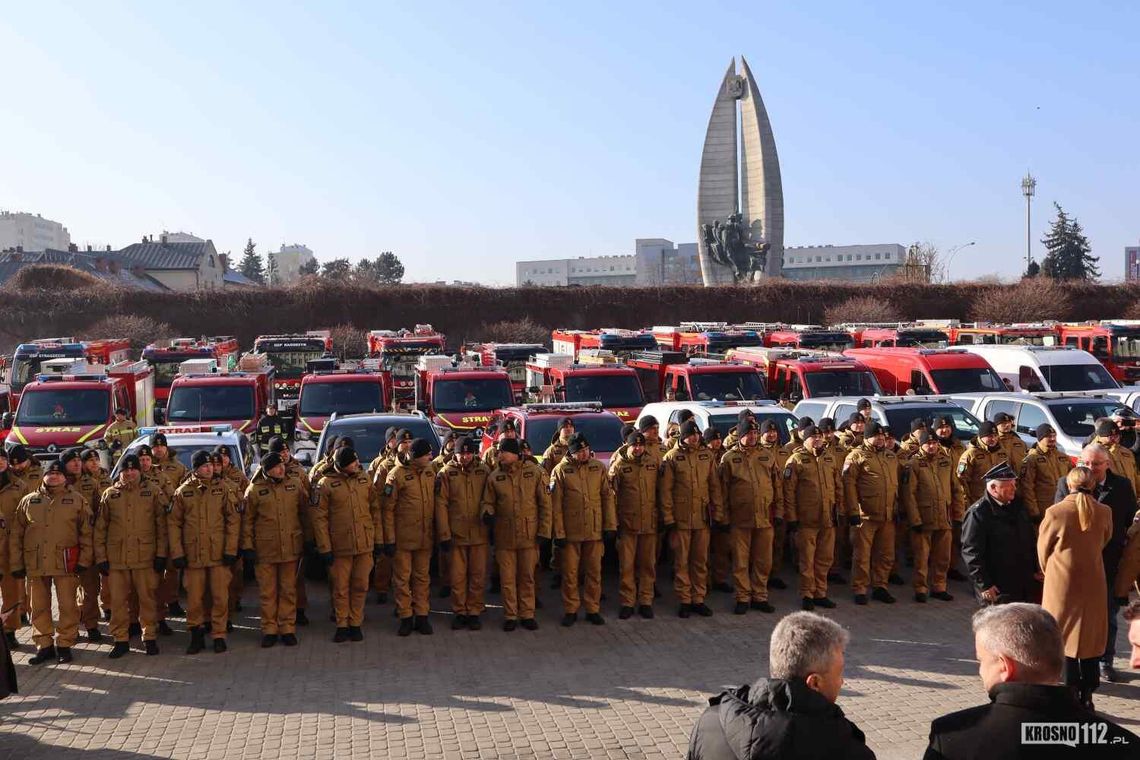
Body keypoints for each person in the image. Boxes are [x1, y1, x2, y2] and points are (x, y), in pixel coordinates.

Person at [923, 603, 1137, 759]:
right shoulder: (1122, 743)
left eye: (981, 660)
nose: (980, 671)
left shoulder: (952, 737)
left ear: (1004, 666)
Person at [686, 611, 874, 760]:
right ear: (814, 682)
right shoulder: (846, 750)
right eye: (840, 673)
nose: (842, 681)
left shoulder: (711, 722)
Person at [1052, 443, 1137, 684]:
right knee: (1069, 618)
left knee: (1107, 617)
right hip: (1073, 568)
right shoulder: (1065, 483)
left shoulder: (1121, 486)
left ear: (1107, 465)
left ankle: (1104, 662)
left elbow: (1129, 518)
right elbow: (1056, 523)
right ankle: (1068, 666)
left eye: (1096, 464)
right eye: (1085, 463)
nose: (1090, 468)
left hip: (1107, 565)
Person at [1038, 466, 1114, 708]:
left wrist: (1049, 570)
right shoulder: (1104, 511)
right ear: (1093, 485)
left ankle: (1069, 691)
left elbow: (1043, 550)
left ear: (1068, 484)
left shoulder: (1055, 512)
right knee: (1090, 636)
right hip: (1093, 579)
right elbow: (1105, 539)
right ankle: (1088, 694)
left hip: (1062, 581)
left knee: (1063, 634)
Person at [8, 459, 94, 665]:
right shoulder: (29, 500)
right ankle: (43, 645)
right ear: (44, 476)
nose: (53, 476)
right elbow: (16, 535)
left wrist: (84, 560)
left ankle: (64, 644)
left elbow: (87, 533)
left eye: (58, 474)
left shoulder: (76, 500)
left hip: (65, 563)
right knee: (38, 606)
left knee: (67, 605)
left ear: (65, 477)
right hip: (35, 562)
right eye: (50, 473)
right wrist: (17, 564)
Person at [95, 454, 167, 658]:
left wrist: (161, 554)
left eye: (133, 469)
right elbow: (100, 529)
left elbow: (161, 526)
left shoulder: (152, 492)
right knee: (118, 602)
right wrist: (101, 557)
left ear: (140, 470)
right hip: (117, 560)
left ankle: (150, 637)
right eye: (126, 470)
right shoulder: (110, 494)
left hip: (145, 557)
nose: (129, 473)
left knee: (147, 599)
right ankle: (120, 639)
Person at [168, 450, 239, 654]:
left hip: (218, 554)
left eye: (211, 465)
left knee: (219, 596)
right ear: (196, 469)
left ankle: (218, 634)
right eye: (205, 466)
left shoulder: (222, 489)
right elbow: (173, 524)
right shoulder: (183, 492)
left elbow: (233, 521)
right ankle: (195, 634)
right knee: (194, 598)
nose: (210, 469)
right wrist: (178, 553)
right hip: (193, 556)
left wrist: (230, 549)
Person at [480, 438, 551, 631]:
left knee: (527, 577)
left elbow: (545, 504)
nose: (500, 455)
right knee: (508, 579)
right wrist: (487, 513)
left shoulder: (534, 472)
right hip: (505, 536)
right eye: (499, 452)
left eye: (504, 452)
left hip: (529, 535)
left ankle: (527, 614)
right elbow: (488, 502)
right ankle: (510, 615)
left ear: (515, 454)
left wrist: (545, 531)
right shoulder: (495, 477)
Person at [312, 447, 382, 643]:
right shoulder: (325, 485)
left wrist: (378, 539)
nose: (357, 464)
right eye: (352, 462)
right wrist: (324, 548)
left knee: (361, 585)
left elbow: (375, 509)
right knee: (341, 589)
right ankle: (342, 624)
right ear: (342, 466)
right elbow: (320, 519)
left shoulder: (364, 479)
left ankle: (355, 623)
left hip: (364, 545)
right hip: (339, 547)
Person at [550, 433, 616, 627]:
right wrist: (559, 533)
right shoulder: (560, 471)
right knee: (570, 574)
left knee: (594, 572)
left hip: (594, 530)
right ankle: (571, 609)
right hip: (571, 532)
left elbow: (607, 498)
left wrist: (610, 525)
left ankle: (592, 608)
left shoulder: (598, 468)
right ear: (572, 453)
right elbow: (556, 506)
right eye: (580, 451)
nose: (585, 454)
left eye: (586, 449)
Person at [241, 451, 305, 648]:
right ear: (267, 470)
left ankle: (287, 628)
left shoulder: (294, 485)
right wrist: (248, 547)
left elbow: (305, 513)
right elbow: (247, 522)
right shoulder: (254, 490)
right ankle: (269, 629)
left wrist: (309, 540)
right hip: (265, 550)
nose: (281, 469)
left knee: (288, 590)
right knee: (268, 593)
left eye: (282, 465)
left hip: (290, 548)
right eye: (277, 467)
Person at [661, 420, 724, 618]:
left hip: (702, 518)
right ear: (683, 436)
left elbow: (715, 486)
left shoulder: (706, 455)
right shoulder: (672, 457)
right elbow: (666, 491)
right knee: (682, 561)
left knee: (700, 560)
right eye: (691, 435)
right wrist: (668, 517)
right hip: (681, 518)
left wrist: (718, 513)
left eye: (697, 434)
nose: (695, 437)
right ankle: (684, 600)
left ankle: (698, 598)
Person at [383, 438, 443, 637]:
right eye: (427, 454)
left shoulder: (429, 472)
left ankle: (422, 616)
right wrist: (389, 539)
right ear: (416, 457)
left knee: (422, 579)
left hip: (425, 538)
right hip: (403, 539)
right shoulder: (395, 475)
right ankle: (406, 617)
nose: (430, 457)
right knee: (402, 580)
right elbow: (388, 510)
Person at [960, 462, 1039, 605]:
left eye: (1014, 484)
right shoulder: (978, 514)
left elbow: (1030, 540)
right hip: (997, 588)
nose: (1014, 488)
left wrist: (1035, 568)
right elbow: (972, 553)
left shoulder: (1017, 507)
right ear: (993, 488)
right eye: (1009, 485)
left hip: (1022, 583)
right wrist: (984, 584)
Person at [783, 425, 842, 610]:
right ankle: (807, 593)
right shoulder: (796, 460)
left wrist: (840, 511)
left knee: (825, 558)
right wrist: (792, 517)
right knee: (807, 560)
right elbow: (789, 492)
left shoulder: (829, 458)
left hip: (828, 518)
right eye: (813, 437)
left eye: (819, 437)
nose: (817, 440)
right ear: (805, 440)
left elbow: (838, 487)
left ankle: (821, 593)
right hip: (806, 519)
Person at [435, 437, 491, 630]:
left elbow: (490, 498)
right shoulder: (445, 474)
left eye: (468, 453)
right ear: (455, 453)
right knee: (457, 577)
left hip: (478, 533)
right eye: (461, 453)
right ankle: (459, 611)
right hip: (456, 534)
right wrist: (444, 534)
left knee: (477, 575)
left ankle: (474, 610)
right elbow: (441, 505)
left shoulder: (483, 471)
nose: (465, 457)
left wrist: (488, 516)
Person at [902, 431, 965, 603]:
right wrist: (915, 519)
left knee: (943, 557)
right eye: (928, 443)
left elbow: (956, 490)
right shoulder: (913, 464)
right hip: (924, 518)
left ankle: (939, 586)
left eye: (934, 443)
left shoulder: (946, 462)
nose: (932, 446)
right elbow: (909, 494)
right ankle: (921, 588)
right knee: (922, 558)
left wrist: (958, 514)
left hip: (944, 517)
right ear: (921, 445)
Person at [843, 421, 901, 605]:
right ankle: (860, 589)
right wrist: (853, 511)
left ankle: (880, 587)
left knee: (886, 554)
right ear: (868, 438)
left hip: (887, 515)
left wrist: (897, 508)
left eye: (882, 436)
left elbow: (895, 486)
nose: (881, 439)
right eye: (877, 436)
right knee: (862, 555)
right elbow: (849, 485)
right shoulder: (856, 456)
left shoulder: (891, 456)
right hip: (865, 515)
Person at [609, 430, 660, 619]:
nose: (638, 448)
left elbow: (660, 491)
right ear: (628, 446)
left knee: (648, 565)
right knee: (627, 566)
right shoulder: (619, 465)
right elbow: (611, 497)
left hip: (649, 523)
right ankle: (627, 602)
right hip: (627, 524)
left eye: (640, 445)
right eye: (634, 445)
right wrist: (614, 523)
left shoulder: (653, 462)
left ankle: (646, 600)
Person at [0, 449, 27, 650]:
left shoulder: (20, 486)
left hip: (10, 547)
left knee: (11, 592)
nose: (0, 462)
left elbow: (25, 517)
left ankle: (9, 631)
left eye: (3, 459)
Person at [1017, 424, 1071, 522]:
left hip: (1062, 504)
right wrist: (1033, 511)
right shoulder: (1032, 459)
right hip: (1043, 507)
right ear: (1040, 438)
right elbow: (1027, 487)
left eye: (1054, 436)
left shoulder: (1063, 457)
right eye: (1049, 436)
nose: (1052, 439)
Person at [957, 422, 1008, 505]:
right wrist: (967, 503)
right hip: (979, 501)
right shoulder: (971, 454)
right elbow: (962, 482)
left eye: (995, 436)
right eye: (990, 436)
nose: (993, 439)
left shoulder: (1002, 452)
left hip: (999, 500)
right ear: (981, 437)